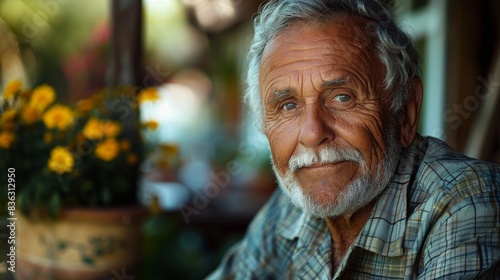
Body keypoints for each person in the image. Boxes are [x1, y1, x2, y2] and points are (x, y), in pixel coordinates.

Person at [207, 0, 500, 278]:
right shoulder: (287, 210)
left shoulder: (465, 201)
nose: (312, 134)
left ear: (407, 112)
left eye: (342, 97)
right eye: (288, 105)